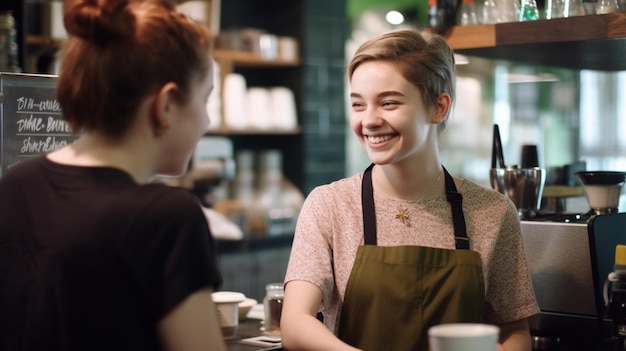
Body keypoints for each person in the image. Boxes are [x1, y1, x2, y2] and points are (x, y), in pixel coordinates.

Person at [280, 27, 539, 351]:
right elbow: (294, 325)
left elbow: (514, 332)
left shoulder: (493, 212)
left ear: (438, 107)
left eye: (388, 103)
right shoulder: (330, 205)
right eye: (358, 105)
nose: (369, 120)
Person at [0, 0, 227, 350]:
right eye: (205, 99)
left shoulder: (14, 187)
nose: (207, 122)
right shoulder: (168, 218)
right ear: (165, 105)